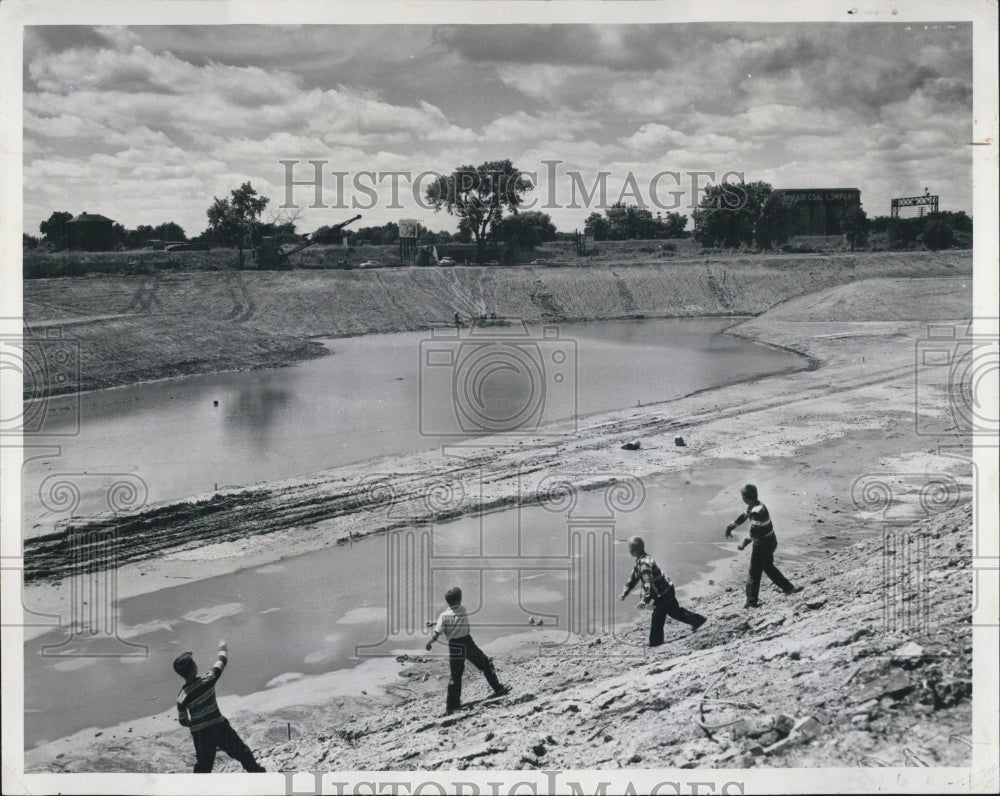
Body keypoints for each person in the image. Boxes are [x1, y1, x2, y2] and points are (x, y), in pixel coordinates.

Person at [174, 640, 266, 773]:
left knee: (204, 765)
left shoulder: (182, 697)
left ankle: (197, 790)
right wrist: (223, 648)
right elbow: (221, 662)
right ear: (194, 668)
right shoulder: (208, 680)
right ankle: (259, 774)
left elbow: (183, 721)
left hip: (200, 734)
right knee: (242, 752)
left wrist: (195, 723)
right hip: (220, 727)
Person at [426, 586, 510, 714]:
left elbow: (438, 632)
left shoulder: (443, 616)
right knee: (485, 664)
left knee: (455, 676)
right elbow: (454, 616)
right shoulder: (463, 609)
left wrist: (429, 642)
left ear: (447, 601)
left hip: (454, 646)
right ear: (459, 600)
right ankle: (498, 688)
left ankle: (452, 706)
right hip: (467, 642)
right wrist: (435, 622)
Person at [725, 483, 803, 608]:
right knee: (768, 566)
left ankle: (751, 601)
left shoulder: (757, 512)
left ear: (744, 498)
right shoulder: (756, 505)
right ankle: (788, 588)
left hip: (763, 543)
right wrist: (731, 526)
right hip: (770, 540)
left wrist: (743, 544)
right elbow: (744, 516)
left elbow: (754, 533)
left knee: (754, 572)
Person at [620, 535, 706, 647]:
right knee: (674, 612)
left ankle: (656, 643)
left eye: (629, 548)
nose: (629, 550)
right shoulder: (641, 560)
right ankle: (697, 620)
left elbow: (648, 584)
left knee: (658, 617)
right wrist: (625, 592)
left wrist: (644, 601)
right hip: (666, 590)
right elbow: (634, 578)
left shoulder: (644, 564)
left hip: (663, 593)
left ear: (632, 550)